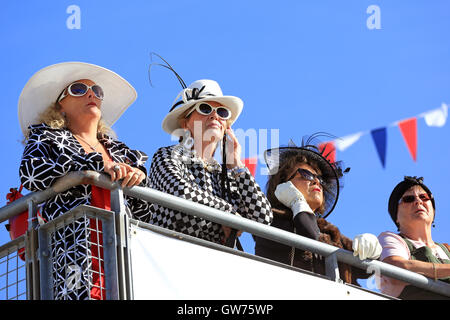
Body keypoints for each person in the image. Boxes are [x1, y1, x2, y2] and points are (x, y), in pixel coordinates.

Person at [18, 62, 151, 299]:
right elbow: (31, 173)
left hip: (123, 248)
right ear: (60, 105)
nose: (91, 94)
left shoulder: (122, 151)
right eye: (79, 89)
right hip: (73, 244)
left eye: (97, 91)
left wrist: (138, 180)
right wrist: (94, 164)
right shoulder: (46, 136)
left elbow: (147, 212)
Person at [148, 58, 273, 247]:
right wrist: (230, 213)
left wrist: (237, 165)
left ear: (226, 127)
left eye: (222, 112)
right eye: (205, 108)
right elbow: (181, 193)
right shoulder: (167, 156)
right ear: (185, 123)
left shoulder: (228, 175)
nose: (215, 115)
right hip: (170, 254)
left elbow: (263, 218)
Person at [254, 136, 382, 285]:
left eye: (320, 179)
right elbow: (309, 235)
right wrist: (297, 202)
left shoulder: (331, 232)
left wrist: (374, 251)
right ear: (284, 184)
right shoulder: (270, 220)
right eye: (306, 174)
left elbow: (369, 271)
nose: (316, 182)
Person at [378, 176, 450, 299]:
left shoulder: (447, 250)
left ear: (433, 210)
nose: (418, 201)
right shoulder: (390, 239)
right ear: (396, 217)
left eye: (424, 197)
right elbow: (394, 272)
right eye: (408, 199)